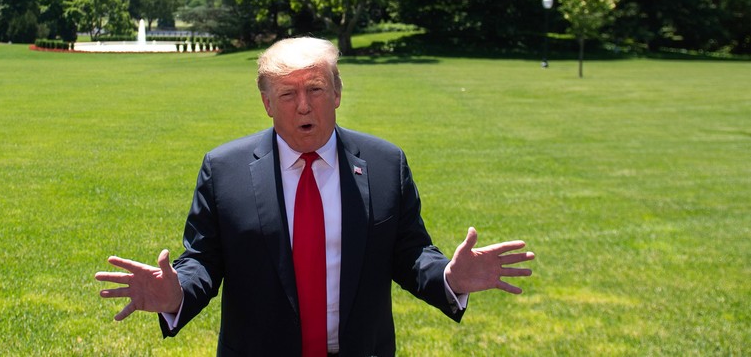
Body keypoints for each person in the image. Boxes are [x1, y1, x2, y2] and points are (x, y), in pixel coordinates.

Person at [96, 36, 534, 356]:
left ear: (338, 93)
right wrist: (176, 296)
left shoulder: (385, 164)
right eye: (288, 94)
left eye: (316, 89)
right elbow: (204, 262)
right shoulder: (223, 169)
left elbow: (411, 253)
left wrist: (449, 279)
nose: (303, 106)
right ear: (267, 103)